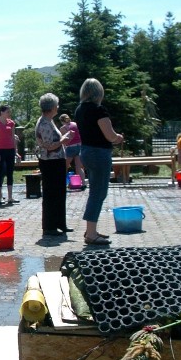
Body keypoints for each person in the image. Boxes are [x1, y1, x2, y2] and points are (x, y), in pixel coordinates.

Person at [75, 78, 124, 245]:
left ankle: (91, 229)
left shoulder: (79, 110)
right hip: (99, 153)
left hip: (86, 152)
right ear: (98, 93)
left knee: (95, 192)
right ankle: (91, 233)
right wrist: (119, 138)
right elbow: (109, 135)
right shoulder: (98, 110)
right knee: (99, 193)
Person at [35, 93, 73, 236]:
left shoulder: (49, 120)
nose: (58, 107)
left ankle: (60, 224)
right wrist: (63, 140)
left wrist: (63, 138)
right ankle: (50, 226)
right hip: (50, 162)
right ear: (51, 107)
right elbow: (48, 146)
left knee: (60, 193)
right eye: (56, 105)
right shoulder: (44, 123)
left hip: (56, 161)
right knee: (52, 194)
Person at [0, 105, 20, 204]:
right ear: (1, 112)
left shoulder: (11, 123)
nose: (9, 114)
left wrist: (16, 152)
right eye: (7, 112)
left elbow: (13, 138)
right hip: (0, 150)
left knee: (10, 173)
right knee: (0, 173)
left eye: (9, 112)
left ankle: (10, 197)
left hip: (10, 149)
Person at [59, 113, 86, 185]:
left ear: (62, 121)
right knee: (79, 167)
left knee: (64, 167)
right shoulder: (75, 124)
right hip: (79, 146)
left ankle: (62, 184)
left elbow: (64, 141)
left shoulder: (63, 128)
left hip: (70, 147)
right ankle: (83, 183)